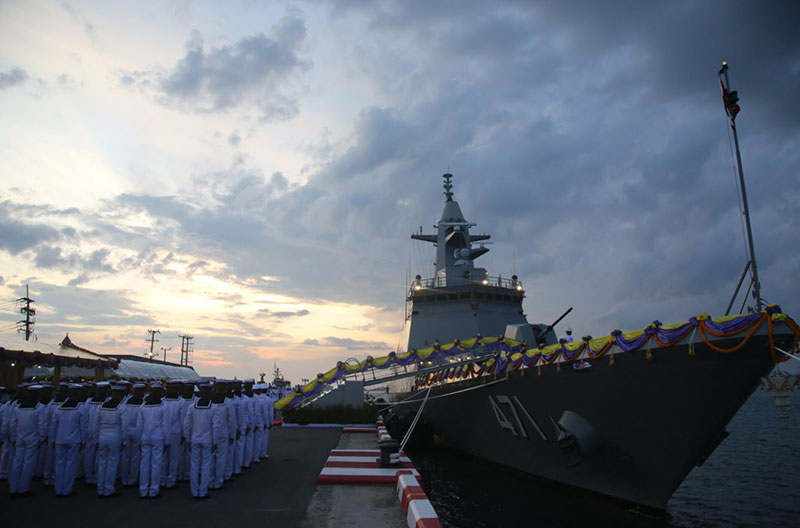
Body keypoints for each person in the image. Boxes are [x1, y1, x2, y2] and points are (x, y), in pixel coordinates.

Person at [8, 385, 46, 496]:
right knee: (28, 464)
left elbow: (13, 424)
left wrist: (13, 438)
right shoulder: (39, 407)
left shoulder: (18, 407)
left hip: (20, 438)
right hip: (33, 438)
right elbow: (42, 425)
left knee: (17, 462)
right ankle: (23, 488)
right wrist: (42, 438)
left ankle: (13, 487)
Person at [51, 384, 87, 497]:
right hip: (74, 440)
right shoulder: (81, 409)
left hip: (60, 439)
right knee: (70, 465)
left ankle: (58, 489)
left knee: (59, 464)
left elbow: (53, 426)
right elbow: (83, 427)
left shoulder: (59, 408)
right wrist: (84, 441)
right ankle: (67, 489)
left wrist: (52, 439)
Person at [183, 383, 216, 500]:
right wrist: (215, 441)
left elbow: (187, 425)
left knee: (194, 465)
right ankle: (203, 491)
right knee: (206, 466)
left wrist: (188, 439)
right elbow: (216, 426)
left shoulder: (192, 407)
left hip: (195, 438)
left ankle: (194, 491)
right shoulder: (213, 407)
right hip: (208, 439)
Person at [95, 384, 125, 498]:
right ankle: (109, 488)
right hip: (115, 437)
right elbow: (125, 426)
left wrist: (95, 439)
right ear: (120, 395)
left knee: (102, 463)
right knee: (112, 464)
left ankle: (100, 488)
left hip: (102, 437)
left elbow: (95, 424)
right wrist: (124, 441)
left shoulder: (101, 406)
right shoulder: (121, 407)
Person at [137, 382, 167, 499]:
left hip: (145, 437)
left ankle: (143, 490)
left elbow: (139, 425)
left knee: (144, 464)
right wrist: (167, 441)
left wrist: (139, 440)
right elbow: (166, 425)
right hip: (158, 438)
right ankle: (154, 489)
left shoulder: (143, 406)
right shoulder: (163, 406)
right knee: (156, 464)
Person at [161, 380, 185, 489]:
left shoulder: (161, 401)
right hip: (176, 432)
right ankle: (171, 480)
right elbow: (182, 420)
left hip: (163, 432)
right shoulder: (181, 401)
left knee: (163, 457)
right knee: (174, 457)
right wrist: (184, 434)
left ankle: (162, 479)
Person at [120, 383, 144, 487]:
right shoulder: (143, 403)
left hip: (126, 430)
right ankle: (132, 479)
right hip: (138, 432)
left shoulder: (125, 403)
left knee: (125, 457)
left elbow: (123, 420)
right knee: (135, 457)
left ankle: (124, 479)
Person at [210, 380, 230, 489]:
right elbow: (231, 419)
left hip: (210, 433)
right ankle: (218, 481)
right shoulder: (227, 402)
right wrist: (232, 434)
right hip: (223, 433)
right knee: (221, 458)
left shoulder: (209, 401)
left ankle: (209, 481)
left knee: (209, 459)